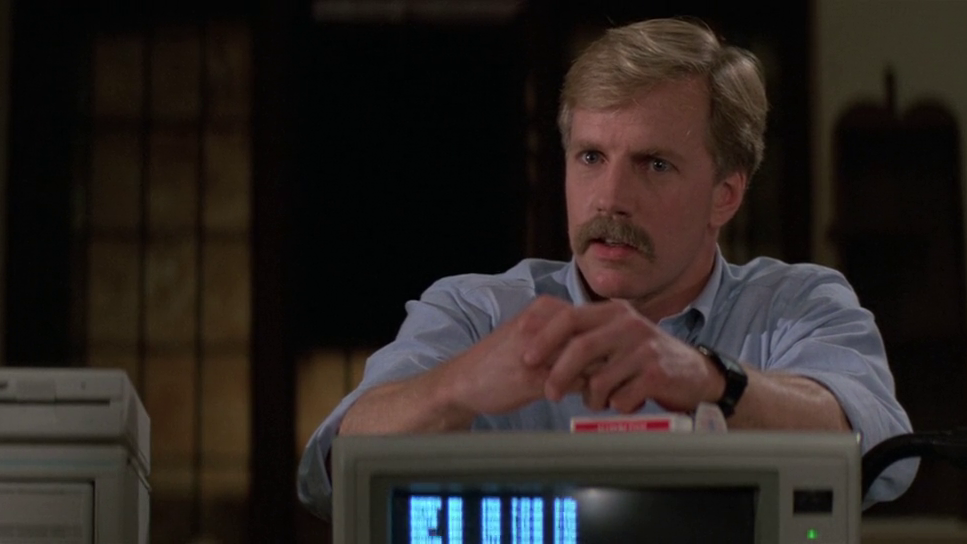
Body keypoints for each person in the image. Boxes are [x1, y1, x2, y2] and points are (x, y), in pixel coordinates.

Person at [297, 16, 916, 519]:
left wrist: (709, 380)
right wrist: (458, 386)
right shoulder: (476, 310)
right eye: (591, 156)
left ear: (725, 195)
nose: (610, 198)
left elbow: (880, 453)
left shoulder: (798, 303)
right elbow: (330, 474)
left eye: (654, 164)